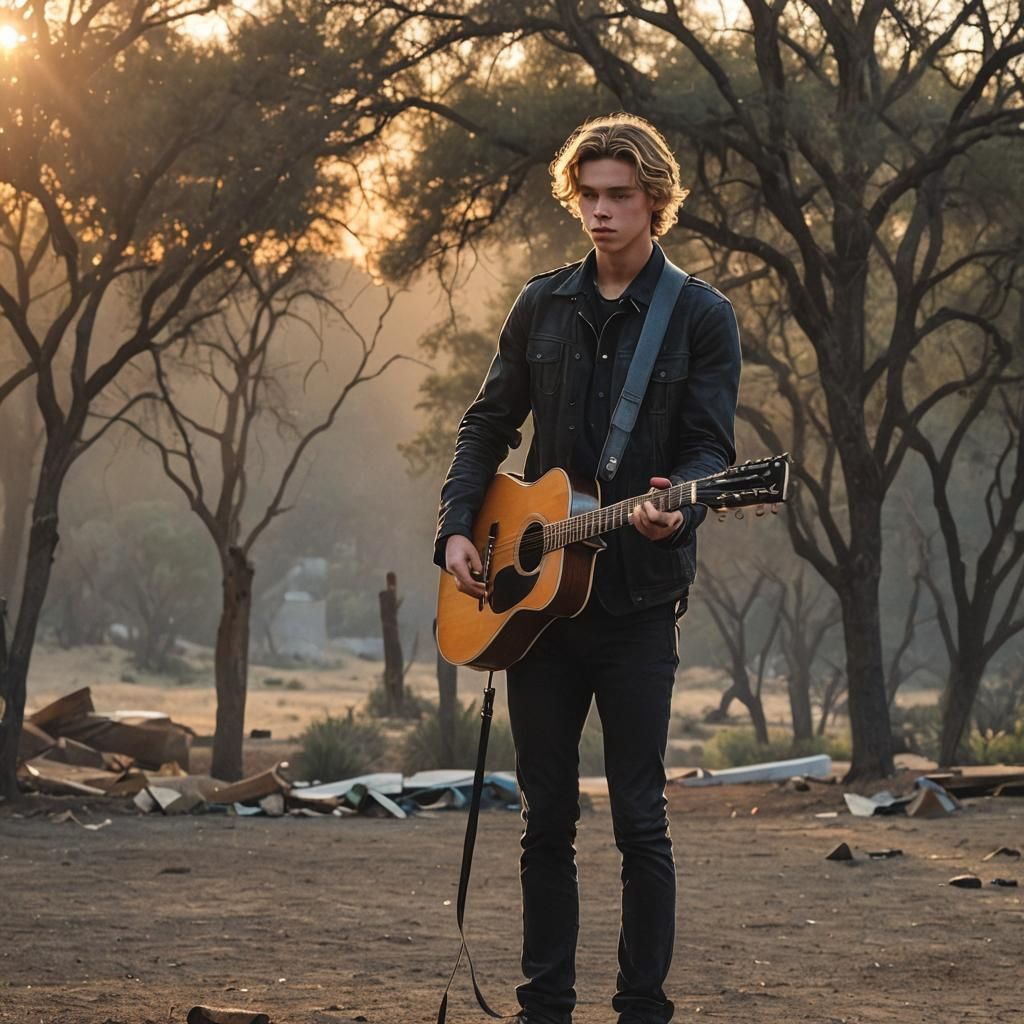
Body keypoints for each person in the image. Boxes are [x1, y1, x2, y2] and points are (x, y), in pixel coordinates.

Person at [434, 113, 741, 1024]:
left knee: (641, 821)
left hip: (640, 605)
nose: (602, 213)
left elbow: (709, 452)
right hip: (534, 610)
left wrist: (670, 504)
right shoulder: (541, 305)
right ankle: (545, 1008)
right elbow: (487, 427)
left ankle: (643, 1008)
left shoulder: (700, 316)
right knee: (547, 824)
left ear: (655, 202)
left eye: (621, 196)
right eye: (590, 196)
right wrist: (457, 528)